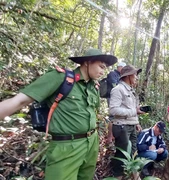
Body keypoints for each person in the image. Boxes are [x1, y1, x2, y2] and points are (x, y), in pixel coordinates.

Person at [0, 48, 118, 180]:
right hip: (66, 146)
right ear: (87, 62)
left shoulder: (93, 87)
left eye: (105, 68)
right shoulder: (60, 78)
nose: (103, 72)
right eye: (101, 66)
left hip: (91, 143)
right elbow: (19, 101)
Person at [109, 64, 144, 179]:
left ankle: (135, 176)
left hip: (131, 126)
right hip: (122, 127)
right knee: (122, 153)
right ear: (128, 76)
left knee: (133, 152)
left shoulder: (131, 91)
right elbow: (113, 109)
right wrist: (134, 111)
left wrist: (137, 122)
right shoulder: (118, 89)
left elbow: (133, 110)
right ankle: (118, 176)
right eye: (135, 75)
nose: (136, 77)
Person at [106, 62, 126, 148]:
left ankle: (114, 137)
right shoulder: (112, 74)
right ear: (119, 67)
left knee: (117, 117)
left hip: (119, 99)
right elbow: (115, 86)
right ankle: (109, 138)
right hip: (112, 98)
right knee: (112, 117)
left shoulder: (120, 76)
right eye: (123, 68)